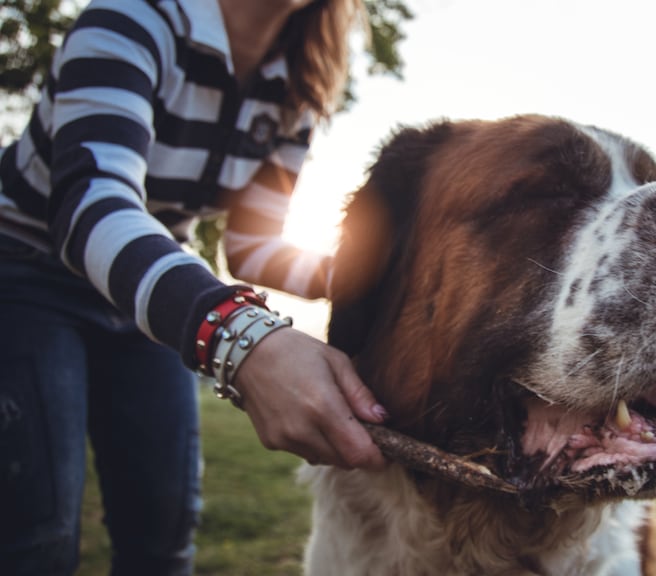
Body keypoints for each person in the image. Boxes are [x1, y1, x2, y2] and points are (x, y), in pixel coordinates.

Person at [0, 0, 389, 573]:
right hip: (26, 273)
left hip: (147, 299)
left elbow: (252, 247)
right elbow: (91, 203)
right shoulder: (130, 20)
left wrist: (377, 282)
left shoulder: (295, 89)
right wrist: (241, 334)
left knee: (164, 535)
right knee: (40, 538)